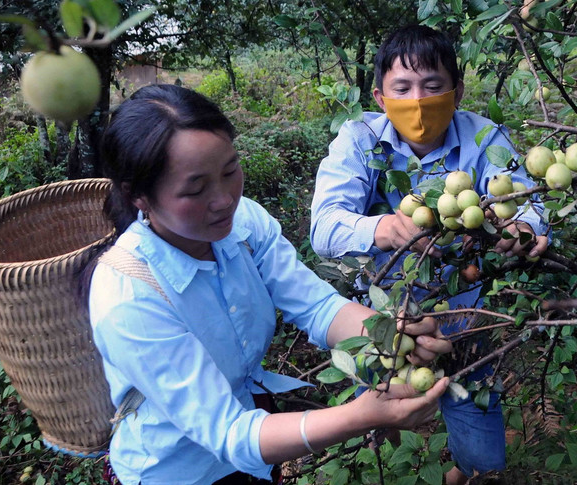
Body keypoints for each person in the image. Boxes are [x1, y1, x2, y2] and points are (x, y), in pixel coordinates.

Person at [90, 84, 452, 485]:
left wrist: (392, 333)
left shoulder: (243, 224)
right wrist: (360, 416)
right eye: (195, 189)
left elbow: (317, 306)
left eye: (230, 171)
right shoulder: (128, 298)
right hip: (175, 471)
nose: (224, 199)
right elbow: (229, 431)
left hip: (258, 447)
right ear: (139, 197)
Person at [310, 24, 549, 485]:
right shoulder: (360, 139)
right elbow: (324, 226)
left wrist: (524, 228)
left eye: (432, 85)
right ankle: (386, 462)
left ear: (457, 91)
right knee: (377, 421)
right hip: (386, 320)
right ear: (380, 98)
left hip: (464, 315)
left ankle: (465, 471)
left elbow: (527, 201)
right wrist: (384, 227)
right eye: (402, 88)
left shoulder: (484, 137)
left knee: (479, 445)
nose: (418, 100)